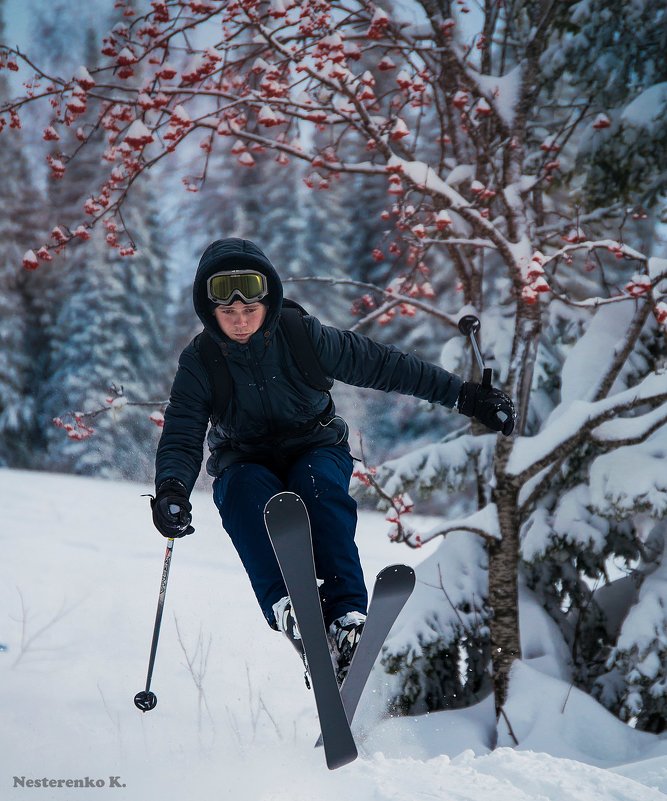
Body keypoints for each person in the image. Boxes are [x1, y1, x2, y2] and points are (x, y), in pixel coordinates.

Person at [151, 237, 515, 683]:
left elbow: (386, 365)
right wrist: (172, 488)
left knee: (320, 491)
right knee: (246, 498)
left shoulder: (303, 336)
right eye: (228, 314)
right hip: (243, 461)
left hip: (314, 446)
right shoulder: (200, 361)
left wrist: (465, 395)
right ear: (211, 314)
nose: (241, 322)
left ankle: (346, 622)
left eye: (250, 311)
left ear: (269, 302)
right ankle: (291, 612)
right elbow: (183, 431)